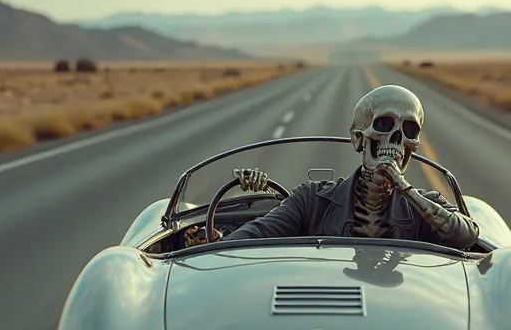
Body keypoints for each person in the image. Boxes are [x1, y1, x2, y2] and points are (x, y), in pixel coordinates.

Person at [186, 84, 479, 250]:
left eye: (409, 131)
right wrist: (217, 241)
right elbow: (254, 235)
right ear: (357, 138)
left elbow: (466, 235)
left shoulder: (426, 207)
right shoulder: (312, 199)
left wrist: (404, 188)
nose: (396, 140)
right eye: (385, 125)